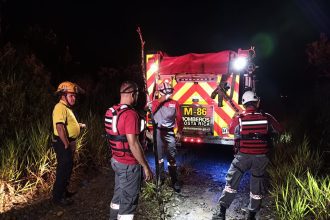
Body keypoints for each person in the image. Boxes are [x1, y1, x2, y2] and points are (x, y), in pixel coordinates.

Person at [212, 90, 283, 220]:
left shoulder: (240, 118)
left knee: (231, 183)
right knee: (257, 188)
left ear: (244, 104)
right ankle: (251, 216)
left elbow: (231, 130)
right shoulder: (267, 116)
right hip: (261, 158)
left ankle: (221, 213)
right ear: (257, 102)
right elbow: (279, 129)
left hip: (242, 157)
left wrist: (236, 116)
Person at [105, 81, 153, 220]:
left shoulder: (111, 111)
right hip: (129, 165)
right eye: (137, 94)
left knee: (118, 196)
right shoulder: (131, 114)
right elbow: (133, 144)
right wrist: (145, 167)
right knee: (128, 203)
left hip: (116, 161)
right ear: (133, 94)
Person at [52, 81, 85, 206]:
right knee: (63, 169)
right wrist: (66, 144)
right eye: (71, 95)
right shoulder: (59, 107)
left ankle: (64, 192)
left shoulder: (66, 108)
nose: (74, 98)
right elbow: (59, 127)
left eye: (74, 96)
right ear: (63, 95)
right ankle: (58, 198)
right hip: (62, 142)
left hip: (67, 141)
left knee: (68, 168)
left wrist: (78, 126)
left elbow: (67, 124)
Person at [150, 81, 183, 192]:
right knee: (159, 158)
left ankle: (174, 180)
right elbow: (148, 108)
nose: (169, 94)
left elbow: (179, 119)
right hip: (158, 132)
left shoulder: (175, 103)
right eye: (167, 92)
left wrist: (179, 131)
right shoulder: (155, 103)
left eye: (170, 91)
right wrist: (162, 99)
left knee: (172, 157)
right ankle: (160, 180)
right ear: (161, 92)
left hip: (169, 132)